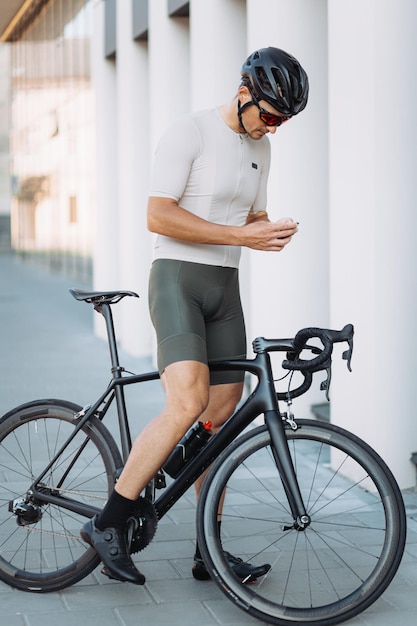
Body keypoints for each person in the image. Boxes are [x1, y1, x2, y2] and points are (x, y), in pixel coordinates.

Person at [81, 46, 309, 585]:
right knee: (187, 402)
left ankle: (209, 550)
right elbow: (158, 215)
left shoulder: (261, 149)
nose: (274, 129)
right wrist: (239, 234)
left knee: (219, 422)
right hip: (178, 280)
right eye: (271, 116)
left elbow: (251, 213)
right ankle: (108, 522)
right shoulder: (191, 132)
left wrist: (269, 230)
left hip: (225, 288)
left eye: (283, 122)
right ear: (244, 92)